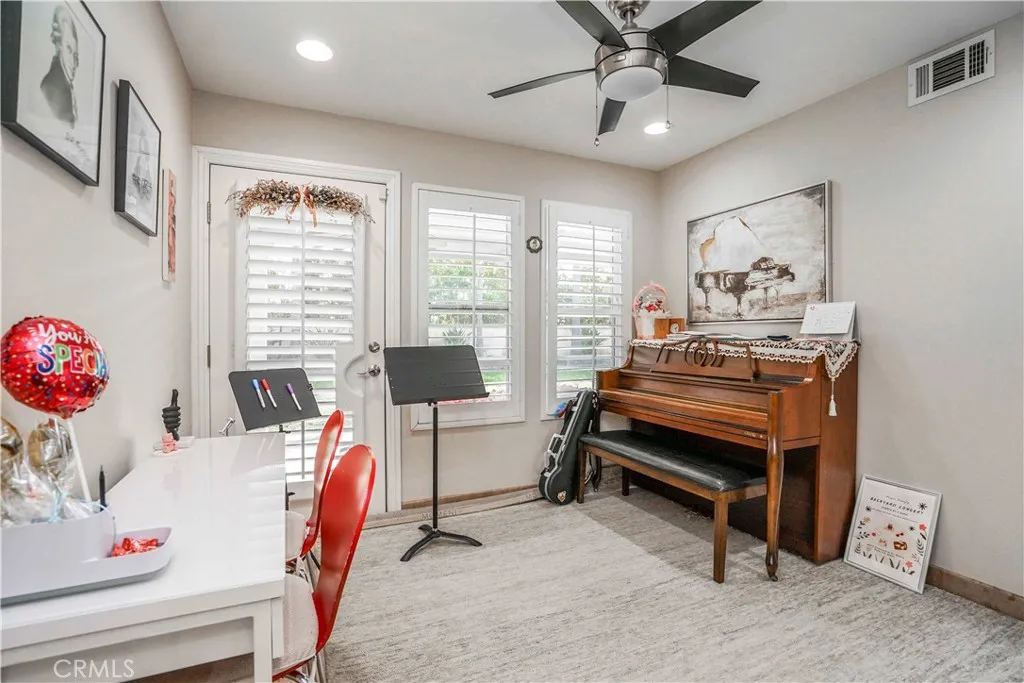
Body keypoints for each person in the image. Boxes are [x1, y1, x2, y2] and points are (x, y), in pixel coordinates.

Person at [39, 5, 79, 128]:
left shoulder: (68, 88)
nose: (74, 62)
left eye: (76, 55)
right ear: (59, 46)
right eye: (69, 49)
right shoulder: (49, 86)